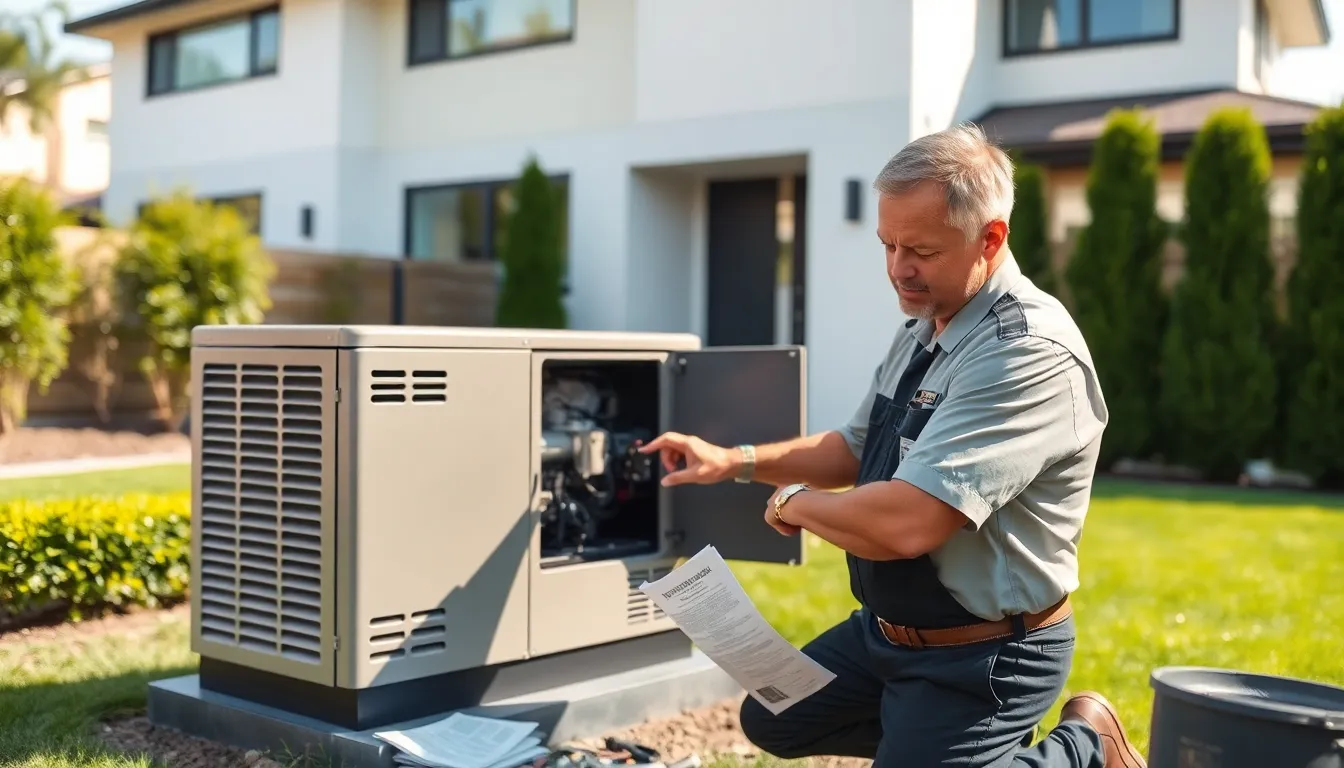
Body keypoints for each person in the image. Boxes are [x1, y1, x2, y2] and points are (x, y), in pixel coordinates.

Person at [637, 123, 1145, 768]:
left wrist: (794, 502)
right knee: (775, 716)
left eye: (922, 251)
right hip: (888, 633)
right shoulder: (926, 323)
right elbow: (855, 447)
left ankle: (1086, 748)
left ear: (990, 238)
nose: (899, 270)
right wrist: (736, 462)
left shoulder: (1025, 354)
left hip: (985, 654)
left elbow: (909, 524)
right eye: (888, 245)